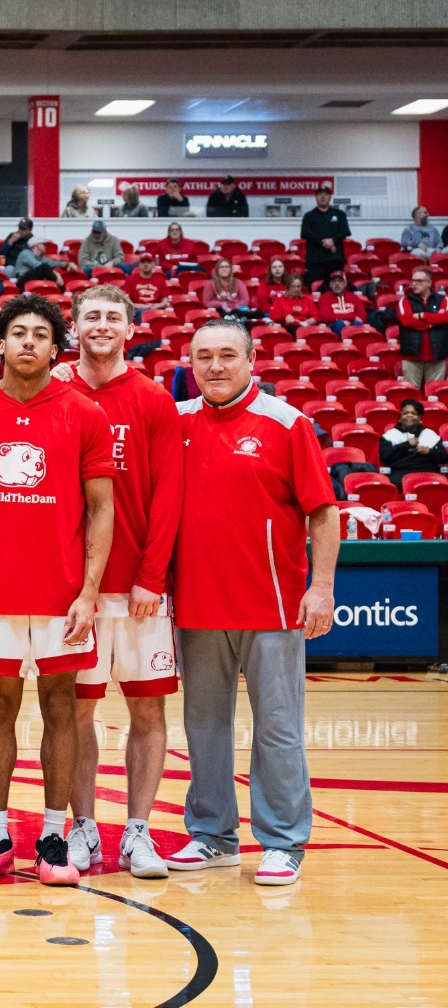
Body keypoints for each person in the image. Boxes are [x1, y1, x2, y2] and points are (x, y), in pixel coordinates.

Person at [0, 295, 115, 887]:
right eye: (17, 332)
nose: (27, 343)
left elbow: (101, 510)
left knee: (60, 710)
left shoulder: (84, 413)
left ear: (55, 346)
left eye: (40, 334)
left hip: (61, 592)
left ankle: (52, 835)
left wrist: (89, 590)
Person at [170, 319, 336, 886]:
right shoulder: (178, 423)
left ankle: (284, 841)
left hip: (271, 604)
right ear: (190, 363)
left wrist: (322, 587)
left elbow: (323, 512)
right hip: (196, 605)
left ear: (252, 359)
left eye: (227, 355)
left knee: (277, 728)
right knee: (205, 727)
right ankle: (212, 836)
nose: (215, 366)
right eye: (204, 357)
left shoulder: (289, 424)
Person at [64, 286, 182, 879]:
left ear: (130, 329)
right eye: (92, 316)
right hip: (73, 589)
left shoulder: (154, 399)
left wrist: (151, 577)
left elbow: (169, 496)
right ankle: (82, 825)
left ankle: (137, 831)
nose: (102, 325)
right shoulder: (55, 391)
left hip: (137, 587)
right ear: (75, 326)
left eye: (113, 317)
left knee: (148, 711)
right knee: (75, 713)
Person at [394, 267, 448, 385]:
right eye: (413, 281)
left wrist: (422, 315)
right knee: (411, 394)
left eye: (419, 281)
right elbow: (407, 321)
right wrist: (432, 323)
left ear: (429, 283)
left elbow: (445, 317)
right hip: (412, 355)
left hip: (437, 355)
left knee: (435, 394)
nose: (414, 284)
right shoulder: (405, 300)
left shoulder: (443, 300)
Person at [381, 399, 447, 486]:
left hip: (429, 472)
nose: (409, 415)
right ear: (400, 417)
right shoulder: (391, 434)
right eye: (405, 413)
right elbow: (384, 456)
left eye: (413, 413)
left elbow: (444, 458)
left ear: (419, 418)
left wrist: (429, 452)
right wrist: (406, 445)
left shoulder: (429, 434)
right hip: (401, 472)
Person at [301, 183, 351, 289]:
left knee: (337, 290)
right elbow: (305, 233)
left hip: (335, 260)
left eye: (326, 194)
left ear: (330, 197)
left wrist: (333, 241)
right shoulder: (309, 216)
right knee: (314, 290)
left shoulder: (340, 214)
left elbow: (345, 231)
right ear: (315, 197)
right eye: (320, 194)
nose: (323, 197)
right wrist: (325, 243)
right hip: (315, 262)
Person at [317, 269, 369, 335]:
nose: (337, 284)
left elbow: (363, 316)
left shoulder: (353, 297)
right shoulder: (324, 298)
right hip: (333, 327)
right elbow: (326, 317)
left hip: (352, 324)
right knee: (339, 324)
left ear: (345, 284)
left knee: (357, 324)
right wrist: (351, 317)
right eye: (334, 281)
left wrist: (349, 322)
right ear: (330, 284)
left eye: (340, 281)